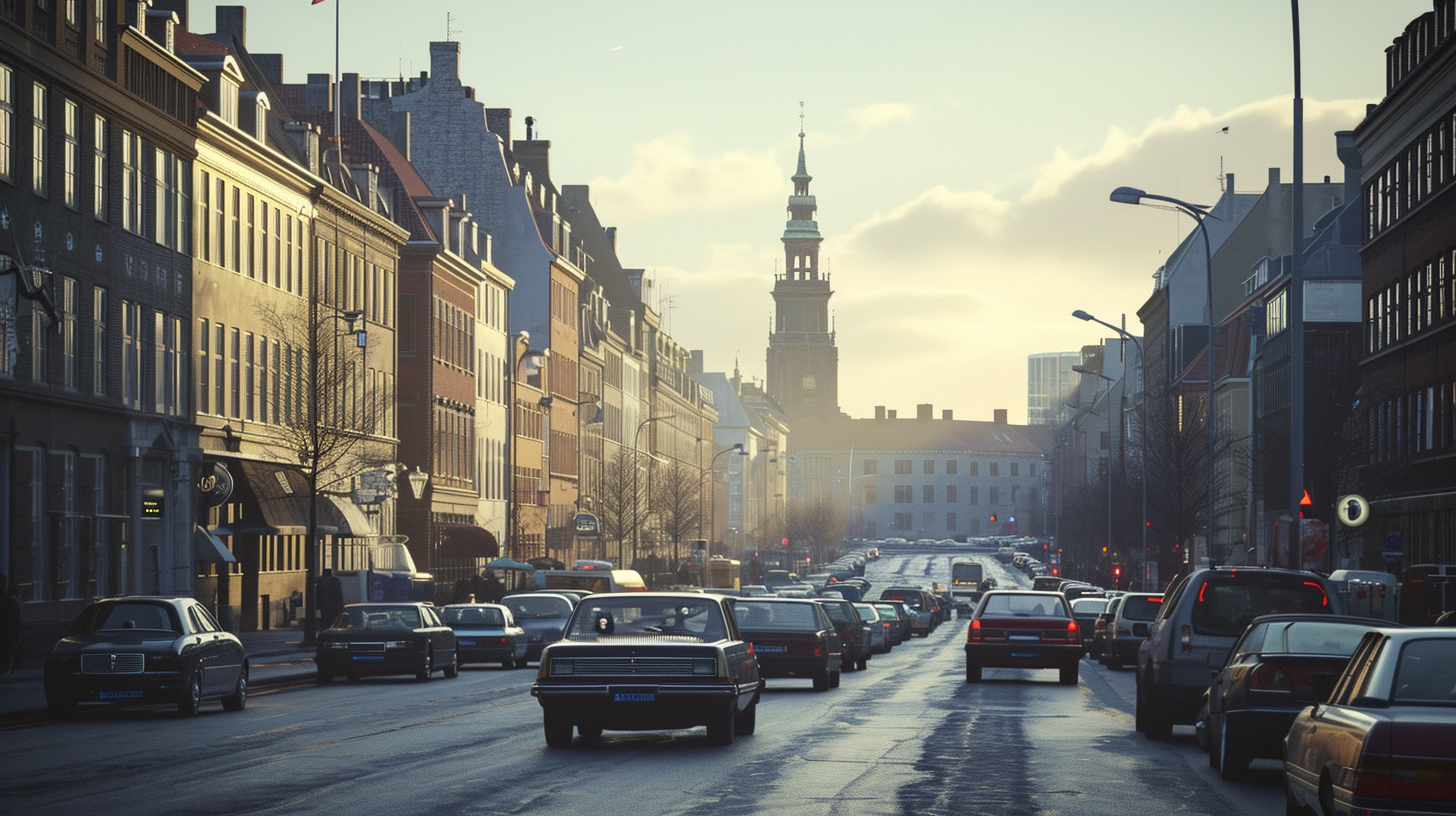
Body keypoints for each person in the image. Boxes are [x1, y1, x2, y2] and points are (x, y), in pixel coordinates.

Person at [0, 572, 20, 674]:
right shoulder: (11, 601)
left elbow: (15, 621)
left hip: (6, 637)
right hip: (7, 637)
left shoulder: (10, 601)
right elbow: (16, 621)